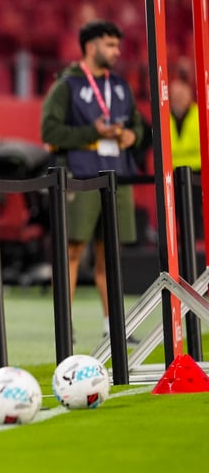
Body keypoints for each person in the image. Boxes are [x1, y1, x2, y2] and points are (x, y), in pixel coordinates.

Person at [41, 20, 145, 340]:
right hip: (82, 176)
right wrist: (92, 133)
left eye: (117, 45)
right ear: (90, 46)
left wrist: (132, 136)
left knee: (110, 254)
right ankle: (64, 325)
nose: (117, 51)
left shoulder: (120, 85)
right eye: (110, 45)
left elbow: (139, 127)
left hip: (118, 176)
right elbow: (49, 132)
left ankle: (112, 326)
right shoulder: (67, 85)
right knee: (71, 252)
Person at [169, 73, 202, 239]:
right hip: (173, 173)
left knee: (196, 212)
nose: (178, 99)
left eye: (181, 95)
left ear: (189, 95)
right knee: (177, 212)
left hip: (197, 173)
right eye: (174, 95)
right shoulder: (165, 117)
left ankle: (198, 243)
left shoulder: (200, 114)